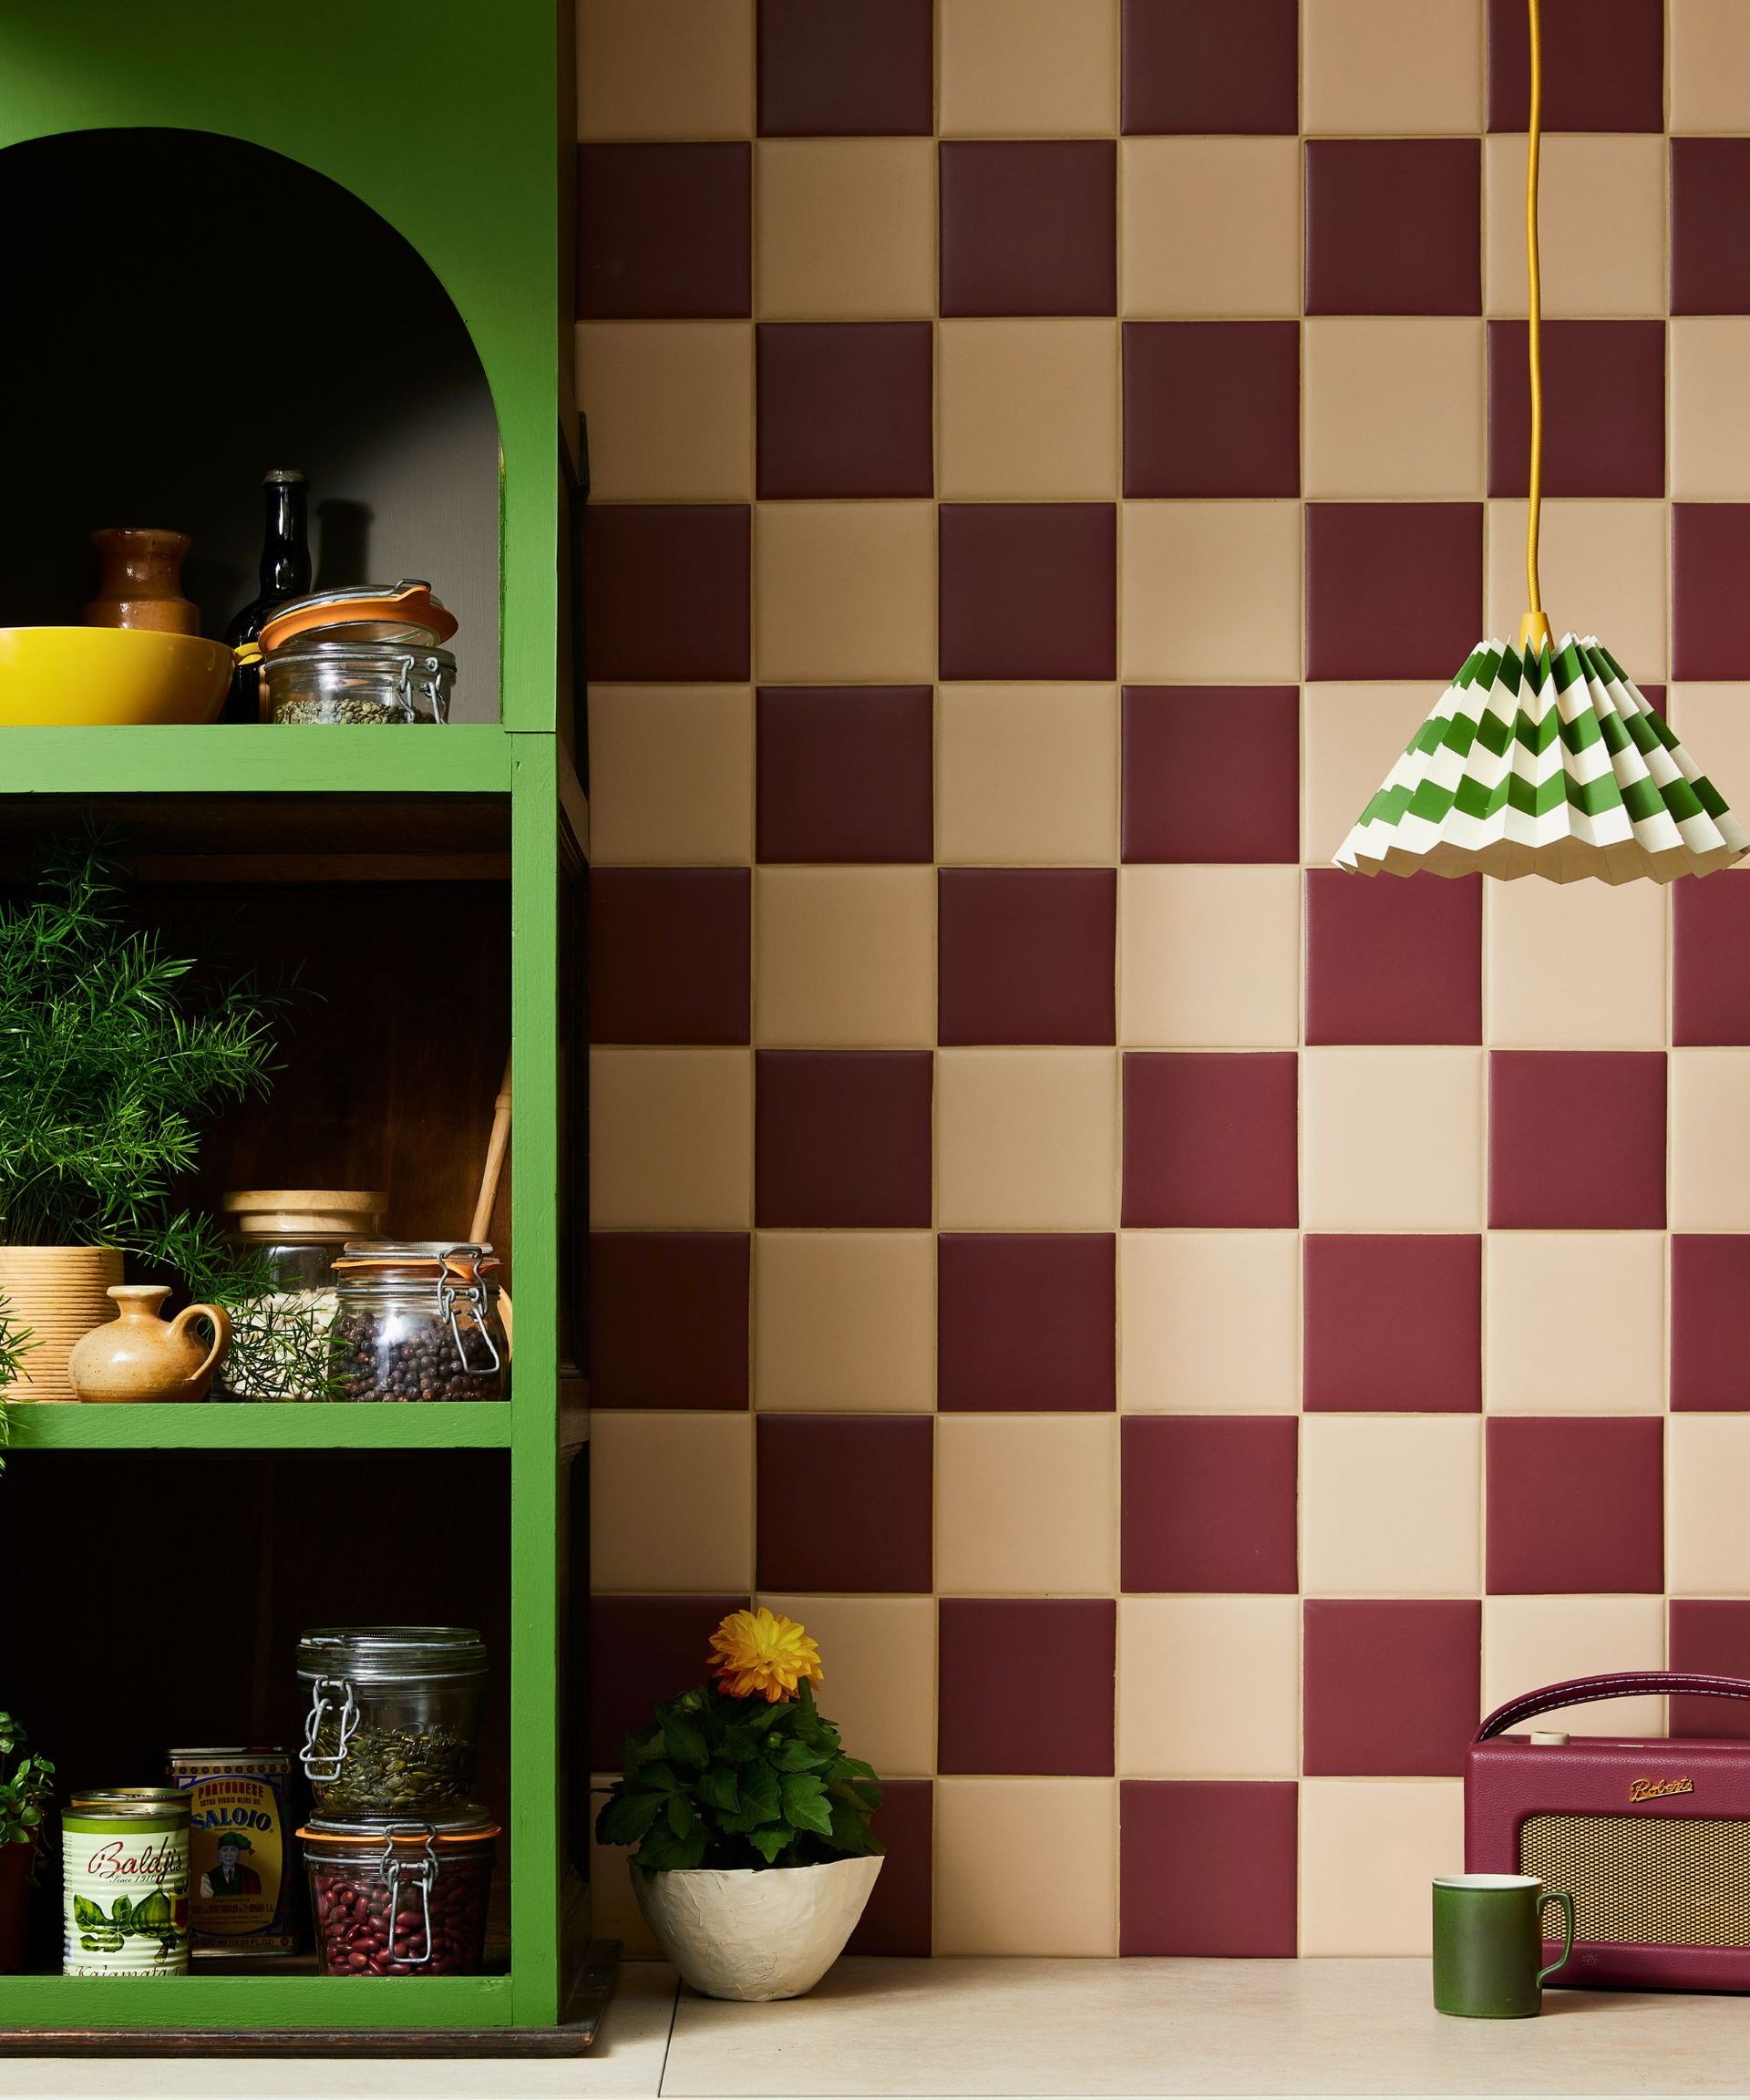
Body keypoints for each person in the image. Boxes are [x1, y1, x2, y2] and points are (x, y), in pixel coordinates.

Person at [201, 1830, 262, 1899]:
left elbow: (255, 1900)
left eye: (233, 1850)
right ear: (219, 1855)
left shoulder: (251, 1876)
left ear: (238, 1855)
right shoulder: (207, 1878)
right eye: (225, 1850)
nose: (229, 1854)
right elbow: (206, 1903)